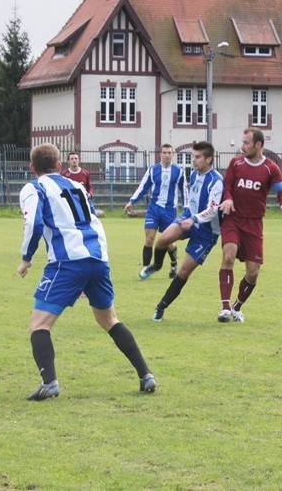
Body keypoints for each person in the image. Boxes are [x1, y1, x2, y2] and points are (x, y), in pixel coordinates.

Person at [17, 143, 156, 400]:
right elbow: (94, 219)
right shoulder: (78, 186)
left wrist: (26, 258)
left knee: (39, 325)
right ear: (60, 166)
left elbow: (34, 222)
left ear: (32, 168)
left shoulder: (33, 187)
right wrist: (94, 264)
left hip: (67, 262)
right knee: (109, 320)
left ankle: (50, 383)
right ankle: (146, 374)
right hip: (97, 257)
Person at [217, 127, 282, 323]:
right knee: (228, 255)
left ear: (258, 145)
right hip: (233, 219)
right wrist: (228, 199)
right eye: (242, 142)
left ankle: (236, 307)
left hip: (254, 224)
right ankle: (225, 308)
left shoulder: (271, 168)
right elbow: (227, 187)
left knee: (253, 272)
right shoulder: (236, 163)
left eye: (246, 143)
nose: (242, 146)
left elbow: (281, 191)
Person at [147, 141, 224, 321]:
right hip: (188, 217)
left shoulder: (217, 181)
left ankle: (161, 307)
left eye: (197, 157)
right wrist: (188, 214)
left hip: (206, 233)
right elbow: (192, 198)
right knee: (162, 240)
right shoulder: (195, 175)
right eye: (193, 157)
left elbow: (213, 209)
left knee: (183, 272)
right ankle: (157, 265)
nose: (193, 161)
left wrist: (195, 219)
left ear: (209, 159)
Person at [124, 143, 186, 280]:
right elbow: (143, 187)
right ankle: (146, 269)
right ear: (160, 154)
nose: (167, 155)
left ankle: (174, 263)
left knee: (168, 241)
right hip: (154, 209)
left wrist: (187, 209)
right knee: (149, 238)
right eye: (164, 152)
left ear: (173, 154)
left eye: (169, 153)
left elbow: (184, 191)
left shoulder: (179, 171)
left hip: (170, 211)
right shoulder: (153, 170)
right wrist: (132, 201)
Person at [61, 151, 104, 217]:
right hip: (71, 201)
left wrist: (90, 194)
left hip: (84, 200)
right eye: (72, 159)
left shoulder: (85, 173)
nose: (74, 160)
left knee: (92, 216)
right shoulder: (64, 174)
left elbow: (89, 187)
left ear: (78, 160)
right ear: (68, 161)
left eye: (76, 158)